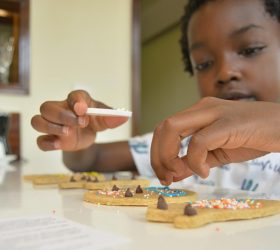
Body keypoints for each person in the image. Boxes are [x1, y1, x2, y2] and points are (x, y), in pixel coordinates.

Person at [31, 0, 280, 196]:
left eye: (251, 49)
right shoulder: (183, 144)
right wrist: (77, 136)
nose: (225, 73)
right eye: (203, 64)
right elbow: (90, 160)